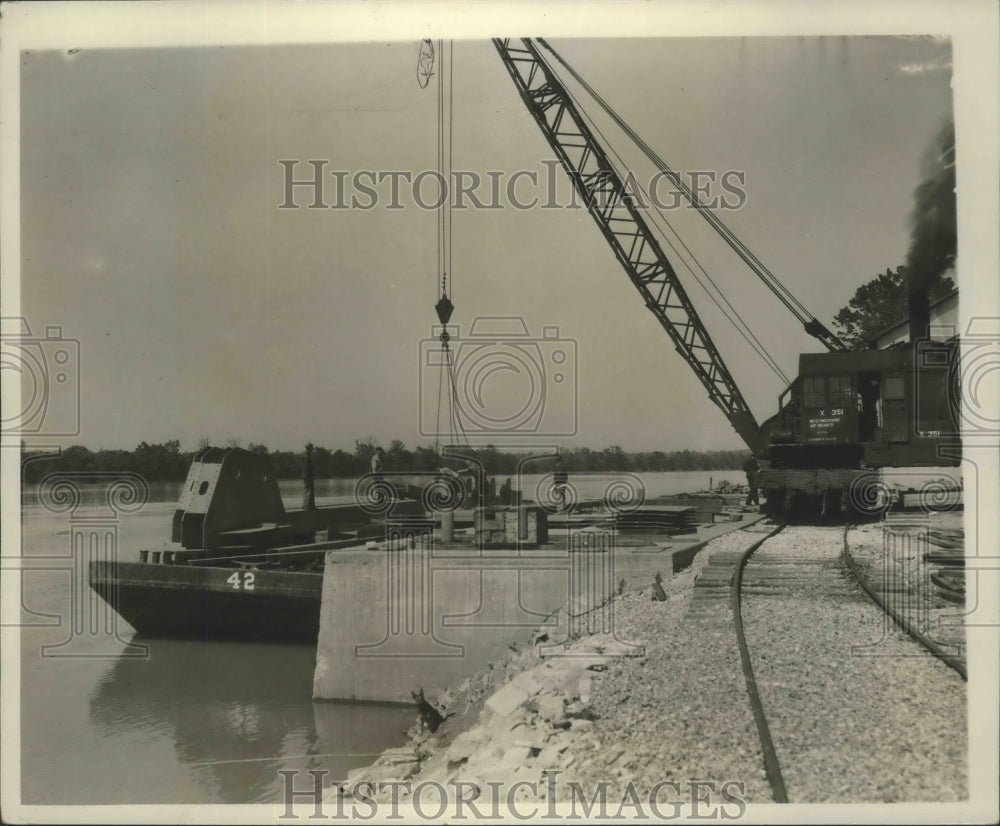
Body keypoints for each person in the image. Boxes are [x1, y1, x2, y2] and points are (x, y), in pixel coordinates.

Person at [302, 443, 317, 511]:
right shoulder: (308, 456)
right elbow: (308, 467)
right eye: (312, 448)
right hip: (308, 476)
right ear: (310, 448)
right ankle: (310, 506)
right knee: (310, 490)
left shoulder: (304, 455)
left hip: (305, 475)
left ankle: (305, 505)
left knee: (306, 490)